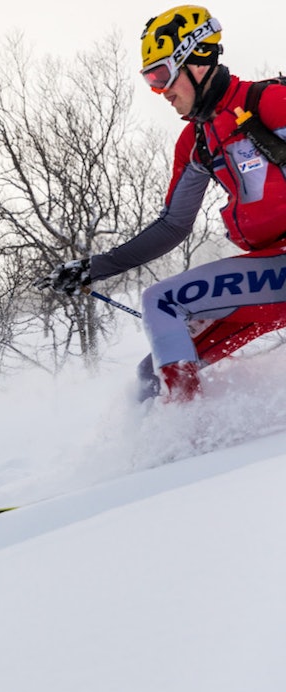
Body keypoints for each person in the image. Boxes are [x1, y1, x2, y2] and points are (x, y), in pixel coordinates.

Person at [37, 5, 286, 402]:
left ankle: (183, 426)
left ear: (198, 62)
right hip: (270, 274)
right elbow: (173, 226)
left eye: (161, 75)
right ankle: (188, 435)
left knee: (162, 301)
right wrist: (93, 268)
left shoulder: (269, 102)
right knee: (152, 376)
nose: (160, 91)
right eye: (150, 80)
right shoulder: (197, 142)